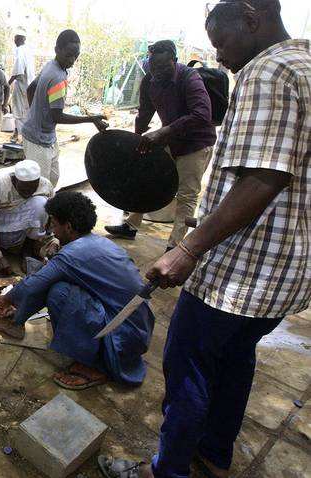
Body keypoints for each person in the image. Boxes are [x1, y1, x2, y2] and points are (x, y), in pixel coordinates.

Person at [100, 2, 311, 477]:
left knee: (188, 366)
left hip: (239, 269)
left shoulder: (269, 70)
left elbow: (264, 177)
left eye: (221, 42)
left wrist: (188, 248)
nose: (219, 57)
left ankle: (167, 470)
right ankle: (215, 453)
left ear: (252, 18)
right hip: (285, 272)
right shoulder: (307, 63)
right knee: (235, 359)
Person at [0, 191, 155, 389]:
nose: (51, 229)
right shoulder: (98, 242)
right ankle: (17, 320)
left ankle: (95, 366)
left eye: (53, 224)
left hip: (123, 335)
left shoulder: (73, 254)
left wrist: (6, 298)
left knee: (59, 292)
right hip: (137, 325)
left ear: (68, 227)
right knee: (58, 282)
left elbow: (35, 283)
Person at [104, 40, 217, 251]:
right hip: (170, 139)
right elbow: (145, 112)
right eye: (154, 67)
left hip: (195, 144)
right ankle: (130, 226)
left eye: (163, 67)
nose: (158, 72)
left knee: (186, 195)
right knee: (143, 177)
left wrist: (164, 131)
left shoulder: (189, 78)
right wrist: (134, 140)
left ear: (174, 61)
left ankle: (175, 247)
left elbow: (202, 115)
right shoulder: (150, 81)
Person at [23, 29, 109, 186]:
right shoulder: (57, 78)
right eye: (69, 55)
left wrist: (36, 114)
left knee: (53, 178)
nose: (72, 60)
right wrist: (91, 119)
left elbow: (30, 89)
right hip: (37, 140)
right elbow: (57, 117)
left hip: (46, 135)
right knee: (39, 186)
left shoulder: (50, 65)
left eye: (76, 55)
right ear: (57, 50)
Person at [8, 27, 35, 143]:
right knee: (26, 112)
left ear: (21, 39)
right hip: (29, 85)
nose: (15, 40)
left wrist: (7, 83)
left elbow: (18, 70)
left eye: (16, 38)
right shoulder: (28, 50)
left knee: (19, 113)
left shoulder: (20, 50)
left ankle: (24, 140)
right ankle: (22, 136)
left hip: (22, 85)